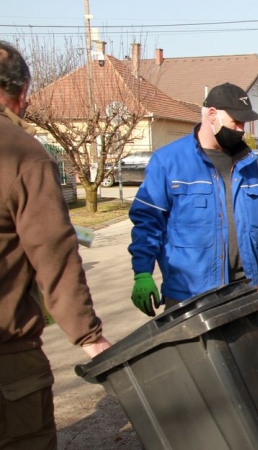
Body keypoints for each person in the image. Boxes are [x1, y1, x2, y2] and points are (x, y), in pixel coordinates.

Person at [0, 40, 112, 449]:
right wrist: (89, 336)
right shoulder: (19, 154)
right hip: (8, 361)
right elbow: (53, 254)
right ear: (23, 94)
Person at [128, 82, 258, 316]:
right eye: (236, 121)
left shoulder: (248, 164)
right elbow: (148, 223)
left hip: (243, 286)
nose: (241, 129)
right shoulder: (169, 161)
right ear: (212, 115)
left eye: (244, 123)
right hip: (190, 293)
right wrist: (142, 272)